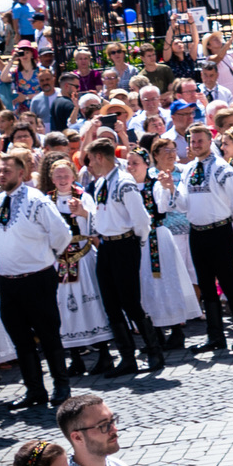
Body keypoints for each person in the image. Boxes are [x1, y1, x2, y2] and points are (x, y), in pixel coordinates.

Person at [0, 150, 72, 407]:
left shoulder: (35, 199)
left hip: (37, 278)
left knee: (48, 334)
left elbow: (61, 232)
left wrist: (49, 256)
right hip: (8, 281)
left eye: (7, 171)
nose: (1, 175)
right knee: (20, 338)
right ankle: (34, 389)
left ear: (21, 173)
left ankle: (61, 384)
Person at [82, 141, 161, 369]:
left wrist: (139, 243)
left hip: (125, 244)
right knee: (111, 303)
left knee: (130, 301)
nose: (89, 165)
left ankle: (154, 350)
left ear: (99, 157)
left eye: (90, 159)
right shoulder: (101, 183)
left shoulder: (124, 182)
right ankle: (127, 356)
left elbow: (141, 219)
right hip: (107, 246)